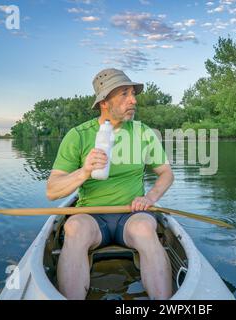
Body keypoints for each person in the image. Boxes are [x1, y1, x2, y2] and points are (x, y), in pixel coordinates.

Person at [46, 68, 174, 300]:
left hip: (132, 214)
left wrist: (150, 198)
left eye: (133, 93)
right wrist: (84, 171)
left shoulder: (143, 133)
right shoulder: (78, 135)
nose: (133, 100)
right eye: (124, 94)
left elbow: (166, 173)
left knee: (146, 229)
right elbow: (52, 191)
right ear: (104, 102)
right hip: (91, 216)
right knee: (73, 228)